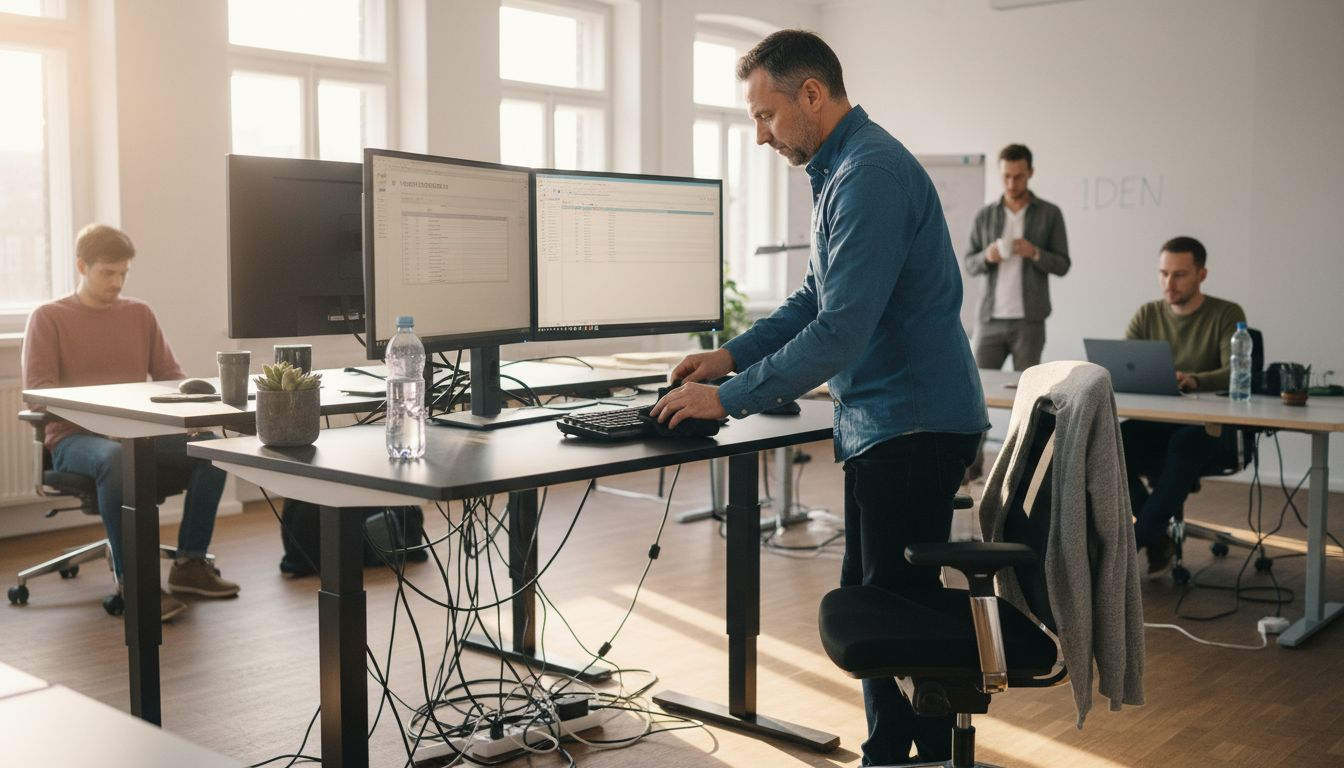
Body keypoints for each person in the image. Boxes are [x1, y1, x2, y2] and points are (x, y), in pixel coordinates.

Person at [649, 30, 988, 766]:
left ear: (811, 93)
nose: (760, 135)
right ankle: (891, 753)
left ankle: (913, 757)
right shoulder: (838, 170)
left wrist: (728, 398)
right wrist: (729, 356)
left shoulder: (868, 174)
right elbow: (814, 297)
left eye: (766, 115)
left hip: (913, 426)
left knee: (894, 619)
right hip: (892, 425)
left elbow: (839, 332)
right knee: (877, 607)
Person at [22, 223, 240, 621]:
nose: (117, 282)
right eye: (108, 272)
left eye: (124, 273)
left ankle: (190, 564)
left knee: (212, 446)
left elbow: (171, 377)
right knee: (116, 456)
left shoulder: (139, 313)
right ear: (81, 266)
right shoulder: (48, 317)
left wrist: (189, 416)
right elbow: (38, 394)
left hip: (138, 434)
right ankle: (136, 586)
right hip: (76, 440)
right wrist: (104, 424)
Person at [1121, 236, 1245, 577]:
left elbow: (1236, 370)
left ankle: (1130, 548)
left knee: (1185, 444)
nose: (1168, 283)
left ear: (1201, 274)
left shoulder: (1226, 313)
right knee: (1107, 442)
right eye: (1163, 274)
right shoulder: (1148, 313)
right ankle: (1156, 534)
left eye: (1179, 275)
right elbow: (1127, 364)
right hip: (1159, 421)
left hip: (1210, 428)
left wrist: (1194, 380)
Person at [962, 144, 1070, 481]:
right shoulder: (986, 215)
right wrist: (988, 257)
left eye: (1018, 176)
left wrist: (1034, 252)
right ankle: (970, 465)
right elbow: (969, 262)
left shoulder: (1049, 214)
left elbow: (1063, 264)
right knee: (973, 395)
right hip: (989, 320)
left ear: (1030, 173)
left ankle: (1022, 473)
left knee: (1032, 401)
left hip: (1029, 321)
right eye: (1006, 176)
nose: (1011, 182)